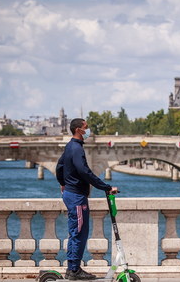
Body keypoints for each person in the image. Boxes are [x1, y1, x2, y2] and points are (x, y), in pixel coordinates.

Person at [56, 118, 118, 280]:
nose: (88, 130)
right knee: (79, 233)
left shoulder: (70, 146)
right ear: (78, 130)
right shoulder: (77, 148)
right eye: (86, 128)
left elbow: (59, 166)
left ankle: (72, 268)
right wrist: (106, 187)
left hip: (71, 194)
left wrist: (63, 183)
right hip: (77, 197)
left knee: (75, 232)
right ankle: (74, 270)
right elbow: (85, 172)